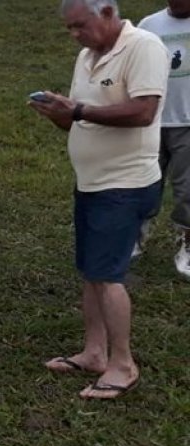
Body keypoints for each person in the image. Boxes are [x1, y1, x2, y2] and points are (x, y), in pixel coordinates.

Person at [29, 0, 167, 400]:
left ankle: (123, 364)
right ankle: (94, 352)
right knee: (91, 272)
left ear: (106, 12)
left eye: (80, 25)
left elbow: (143, 111)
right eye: (69, 29)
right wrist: (60, 114)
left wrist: (78, 109)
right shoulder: (86, 57)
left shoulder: (144, 46)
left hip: (124, 185)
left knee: (108, 276)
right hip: (91, 182)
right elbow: (81, 119)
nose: (75, 35)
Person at [138, 0, 190, 279]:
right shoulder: (149, 25)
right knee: (142, 182)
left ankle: (188, 243)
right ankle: (135, 235)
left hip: (188, 122)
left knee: (188, 190)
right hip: (151, 121)